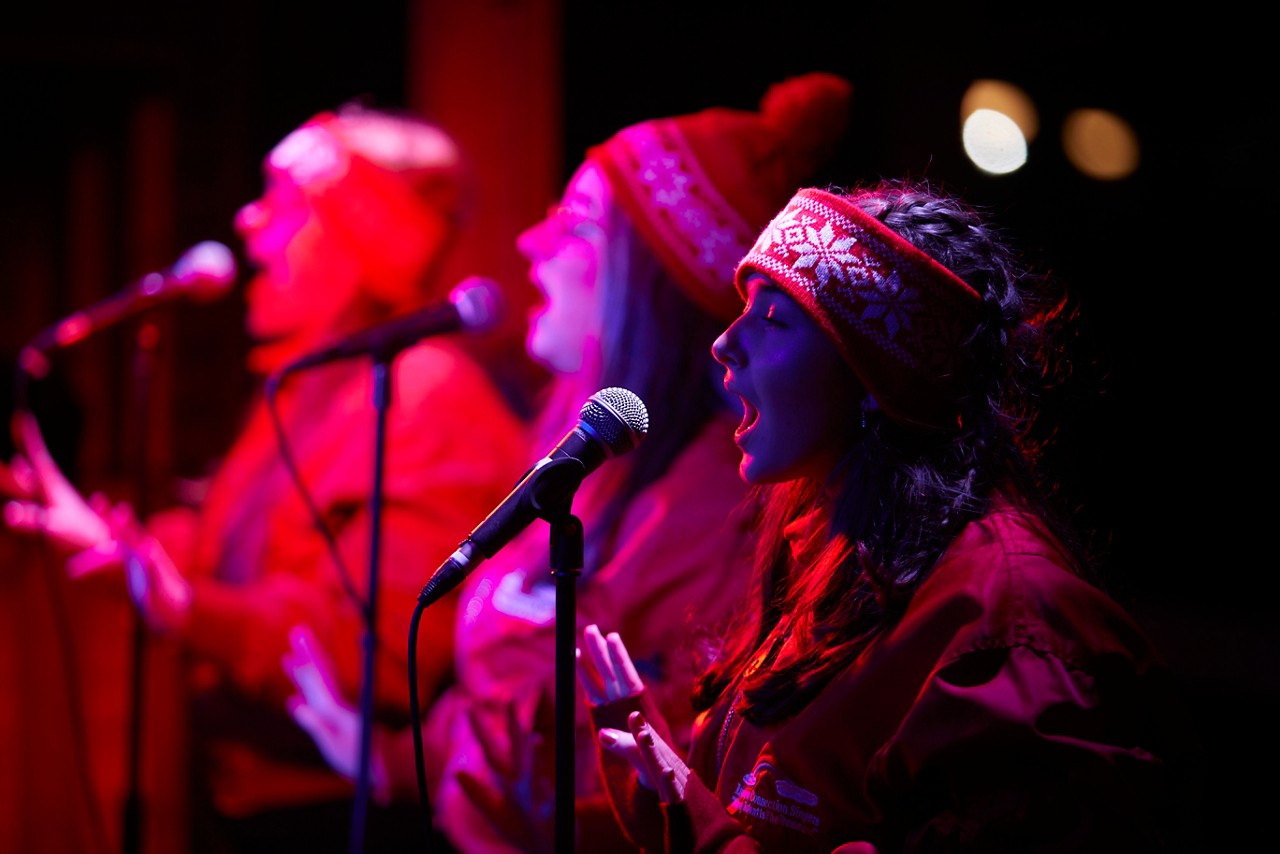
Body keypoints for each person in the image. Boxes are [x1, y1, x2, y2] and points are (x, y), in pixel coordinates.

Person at [281, 73, 856, 852]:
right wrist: (383, 757)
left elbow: (669, 784)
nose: (530, 242)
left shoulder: (717, 516)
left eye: (575, 224)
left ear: (651, 282)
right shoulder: (579, 454)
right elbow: (500, 706)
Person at [576, 180, 1204, 851]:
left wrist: (698, 829)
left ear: (880, 378)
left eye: (776, 319)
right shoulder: (833, 558)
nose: (724, 344)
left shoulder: (1007, 625)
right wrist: (655, 772)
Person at [6, 103, 530, 852]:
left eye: (283, 201)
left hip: (347, 821)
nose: (248, 222)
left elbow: (373, 655)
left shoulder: (426, 398)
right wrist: (121, 544)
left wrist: (190, 610)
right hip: (251, 808)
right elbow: (242, 551)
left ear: (360, 238)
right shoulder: (303, 389)